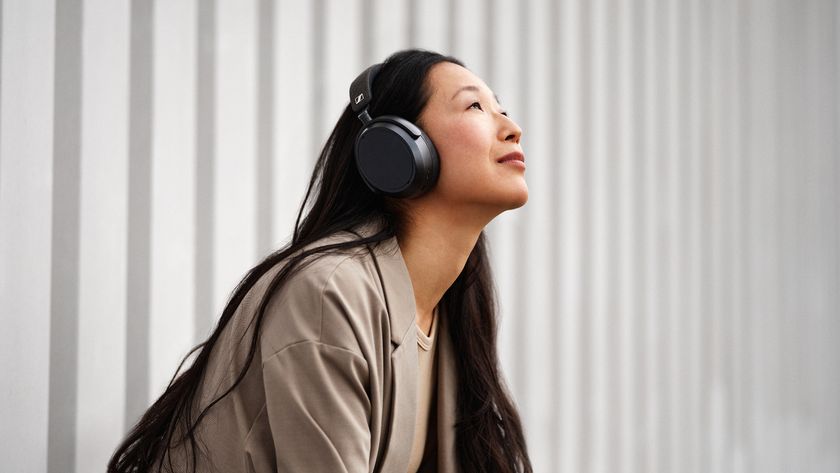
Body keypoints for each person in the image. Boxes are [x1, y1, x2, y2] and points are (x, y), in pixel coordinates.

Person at [108, 48, 532, 473]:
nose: (513, 129)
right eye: (475, 105)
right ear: (397, 147)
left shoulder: (451, 309)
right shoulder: (329, 293)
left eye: (503, 110)